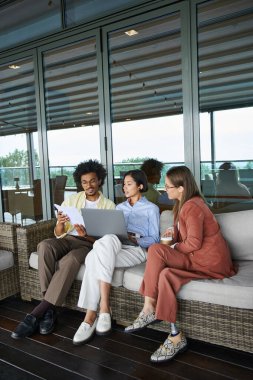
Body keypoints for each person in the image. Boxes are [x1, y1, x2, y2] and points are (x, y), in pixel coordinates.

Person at [125, 165, 237, 363]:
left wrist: (173, 246)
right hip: (198, 258)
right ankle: (175, 336)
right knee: (165, 274)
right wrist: (173, 234)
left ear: (181, 188)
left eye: (168, 186)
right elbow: (186, 235)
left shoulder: (192, 206)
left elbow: (194, 242)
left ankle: (148, 308)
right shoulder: (182, 204)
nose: (164, 190)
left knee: (156, 250)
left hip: (208, 261)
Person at [11, 159, 115, 339]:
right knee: (44, 245)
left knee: (71, 260)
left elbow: (106, 240)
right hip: (68, 238)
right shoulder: (73, 200)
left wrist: (86, 236)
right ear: (80, 183)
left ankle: (38, 313)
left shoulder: (108, 206)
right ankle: (49, 309)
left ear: (99, 180)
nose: (88, 185)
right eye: (84, 182)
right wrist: (60, 223)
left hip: (89, 244)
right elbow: (59, 233)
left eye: (92, 181)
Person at [72, 169, 160, 345]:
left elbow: (156, 239)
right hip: (115, 246)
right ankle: (102, 309)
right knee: (108, 239)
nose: (124, 187)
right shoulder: (119, 208)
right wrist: (90, 234)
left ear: (140, 186)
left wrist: (136, 238)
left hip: (136, 250)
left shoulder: (152, 208)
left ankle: (90, 316)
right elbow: (107, 234)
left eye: (129, 184)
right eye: (123, 184)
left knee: (92, 258)